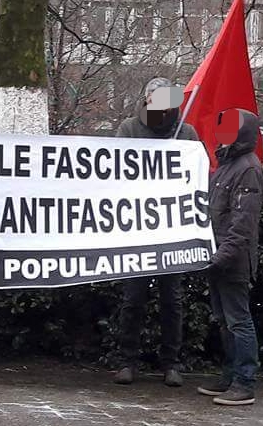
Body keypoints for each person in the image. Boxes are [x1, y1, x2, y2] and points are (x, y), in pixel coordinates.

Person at [112, 77, 199, 387]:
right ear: (146, 101)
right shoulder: (129, 130)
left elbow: (195, 178)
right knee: (133, 298)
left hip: (171, 230)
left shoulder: (186, 133)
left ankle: (171, 363)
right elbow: (115, 173)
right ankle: (127, 360)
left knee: (171, 300)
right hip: (136, 229)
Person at [196, 109, 263, 406]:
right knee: (224, 320)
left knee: (239, 321)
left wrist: (221, 257)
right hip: (219, 257)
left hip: (232, 260)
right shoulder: (227, 164)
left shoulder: (248, 168)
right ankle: (230, 374)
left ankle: (244, 381)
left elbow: (243, 223)